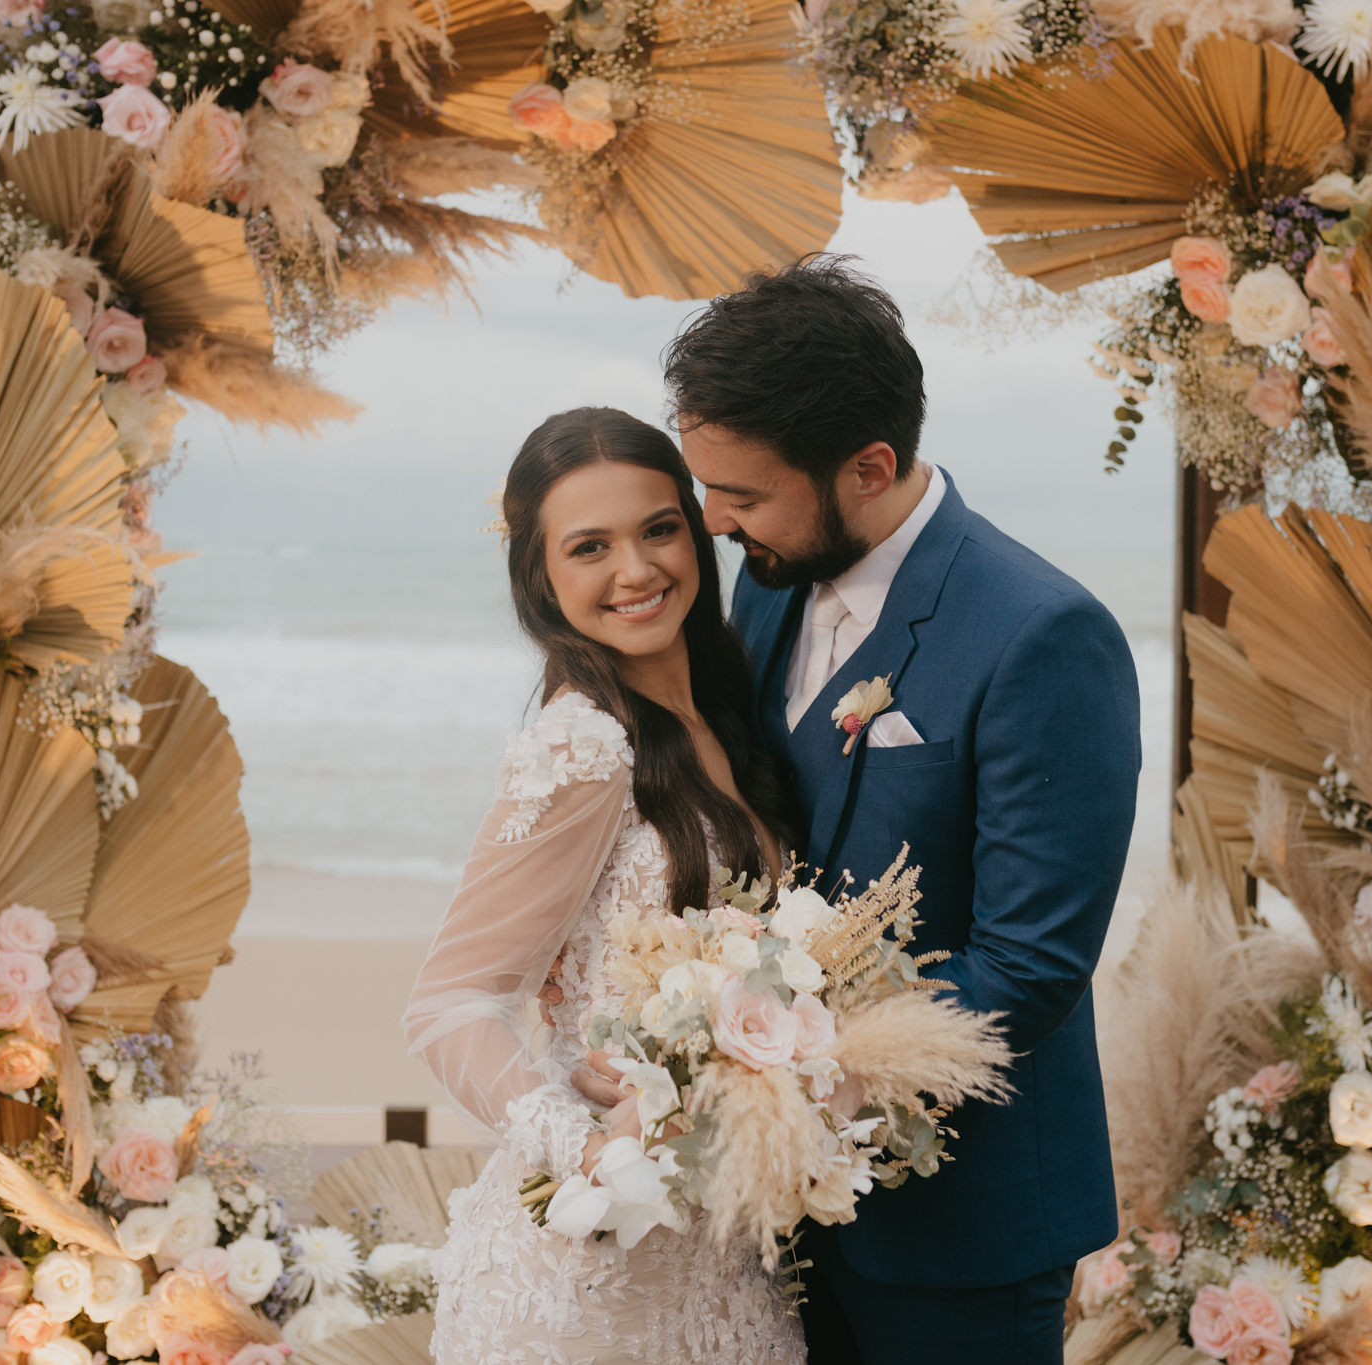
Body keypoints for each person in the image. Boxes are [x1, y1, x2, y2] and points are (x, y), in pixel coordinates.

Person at [662, 255, 1142, 1363]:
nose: (714, 521)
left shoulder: (1043, 636)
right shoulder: (767, 580)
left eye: (740, 495)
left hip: (962, 1223)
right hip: (782, 1211)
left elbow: (1026, 965)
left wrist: (772, 1062)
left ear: (867, 466)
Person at [403, 407, 808, 1364]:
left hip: (716, 1249)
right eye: (591, 547)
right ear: (541, 578)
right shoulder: (583, 743)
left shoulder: (724, 714)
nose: (637, 570)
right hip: (587, 1281)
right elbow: (451, 1002)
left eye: (659, 528)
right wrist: (587, 1147)